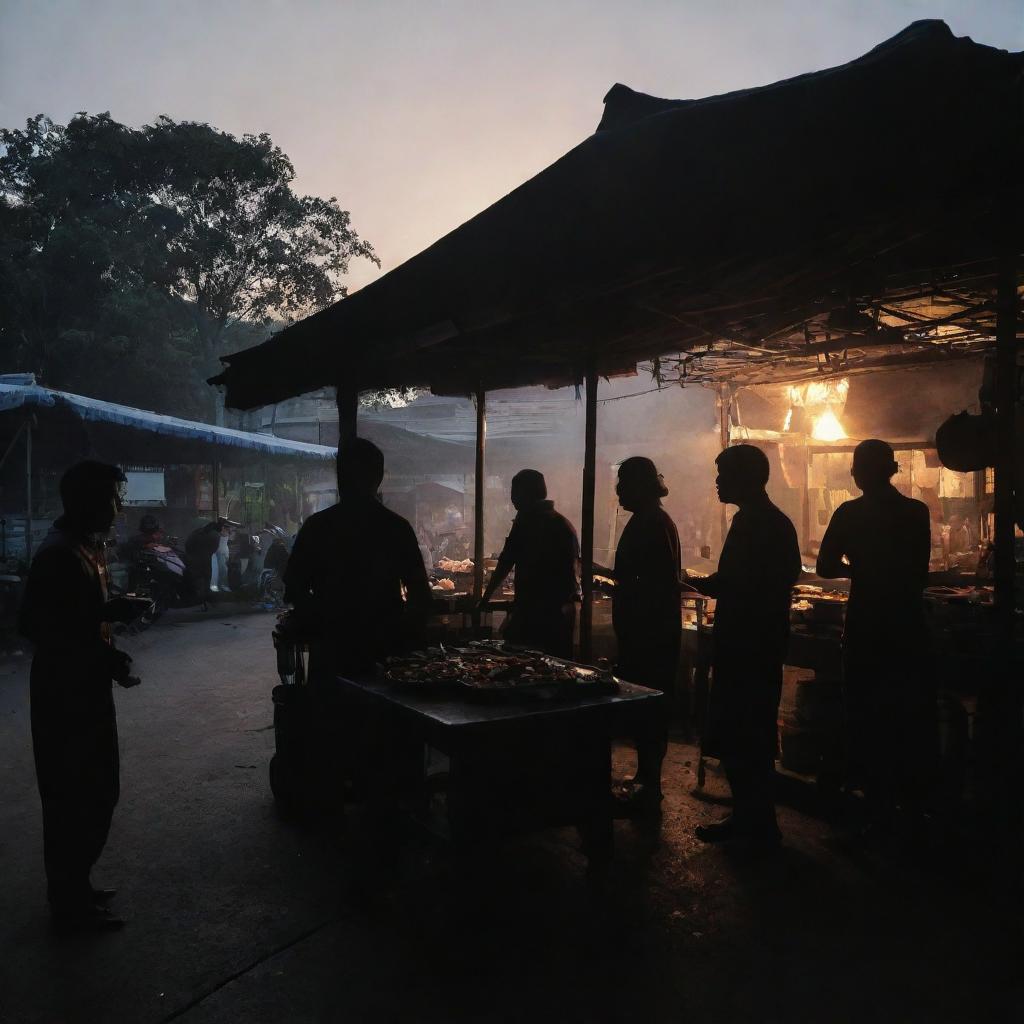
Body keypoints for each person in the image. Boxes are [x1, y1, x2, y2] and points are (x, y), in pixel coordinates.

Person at [19, 461, 144, 930]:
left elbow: (81, 617)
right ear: (85, 501)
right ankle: (69, 903)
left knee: (94, 790)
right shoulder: (59, 556)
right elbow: (35, 625)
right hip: (64, 695)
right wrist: (101, 630)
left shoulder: (85, 548)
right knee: (76, 794)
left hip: (84, 686)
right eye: (112, 498)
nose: (117, 508)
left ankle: (76, 885)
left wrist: (109, 614)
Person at [816, 438, 932, 836]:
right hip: (908, 627)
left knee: (864, 715)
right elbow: (920, 573)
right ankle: (911, 810)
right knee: (906, 715)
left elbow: (825, 565)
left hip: (866, 626)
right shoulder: (917, 512)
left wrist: (859, 570)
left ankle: (872, 808)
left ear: (858, 473)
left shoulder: (849, 514)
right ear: (893, 469)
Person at [693, 444, 801, 851]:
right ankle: (751, 818)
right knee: (744, 735)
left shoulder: (764, 523)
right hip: (751, 643)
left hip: (750, 647)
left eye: (723, 474)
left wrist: (702, 585)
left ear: (747, 478)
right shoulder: (758, 521)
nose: (718, 482)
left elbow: (747, 583)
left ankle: (755, 823)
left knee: (747, 734)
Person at [285, 438, 431, 676]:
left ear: (340, 477)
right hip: (384, 653)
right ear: (378, 478)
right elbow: (421, 597)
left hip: (332, 653)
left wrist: (324, 620)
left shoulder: (318, 527)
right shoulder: (396, 528)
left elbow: (293, 588)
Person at [607, 456, 681, 818]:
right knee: (645, 708)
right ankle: (644, 779)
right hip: (643, 630)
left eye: (623, 482)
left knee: (650, 706)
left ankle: (650, 785)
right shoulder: (647, 520)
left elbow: (658, 581)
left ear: (642, 485)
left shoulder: (653, 522)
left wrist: (621, 586)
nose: (618, 490)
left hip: (650, 633)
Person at [479, 469, 580, 658]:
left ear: (526, 493)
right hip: (562, 615)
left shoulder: (529, 522)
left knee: (528, 666)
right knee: (557, 667)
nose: (512, 499)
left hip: (536, 614)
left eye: (514, 492)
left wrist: (485, 598)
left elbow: (506, 561)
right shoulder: (562, 523)